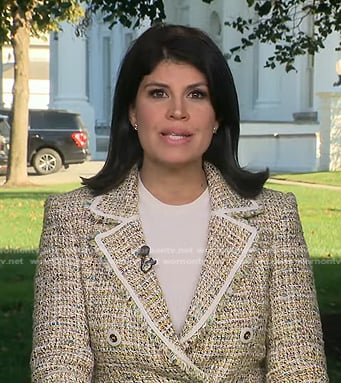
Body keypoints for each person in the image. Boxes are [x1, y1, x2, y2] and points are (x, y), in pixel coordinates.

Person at [31, 23, 328, 382]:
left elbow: (299, 367)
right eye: (158, 93)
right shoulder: (72, 221)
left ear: (217, 116)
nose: (177, 111)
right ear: (132, 112)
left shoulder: (273, 219)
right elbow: (59, 366)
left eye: (197, 95)